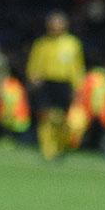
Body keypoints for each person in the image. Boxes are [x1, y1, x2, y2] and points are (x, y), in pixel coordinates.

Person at [25, 12, 86, 161]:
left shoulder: (72, 43)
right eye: (53, 23)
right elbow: (34, 62)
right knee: (45, 115)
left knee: (63, 118)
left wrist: (78, 86)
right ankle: (47, 149)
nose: (55, 26)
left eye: (58, 23)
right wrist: (33, 77)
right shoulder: (42, 43)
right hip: (46, 83)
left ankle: (61, 147)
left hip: (64, 83)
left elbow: (77, 66)